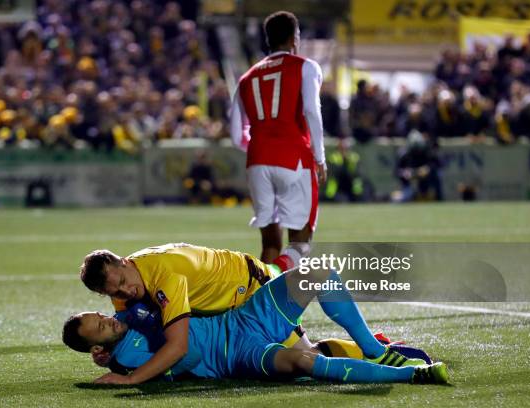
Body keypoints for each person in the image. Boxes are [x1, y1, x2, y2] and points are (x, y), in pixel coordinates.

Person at [79, 244, 428, 382]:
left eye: (122, 282)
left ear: (125, 262)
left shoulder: (165, 276)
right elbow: (123, 329)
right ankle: (374, 350)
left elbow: (179, 347)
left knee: (307, 349)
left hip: (248, 291)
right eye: (113, 293)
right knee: (307, 360)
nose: (124, 294)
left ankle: (374, 348)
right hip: (227, 320)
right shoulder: (126, 291)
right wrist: (109, 356)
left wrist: (130, 378)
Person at [229, 11, 326, 270]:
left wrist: (263, 148)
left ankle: (264, 303)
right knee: (300, 243)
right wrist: (320, 157)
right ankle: (282, 301)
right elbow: (311, 111)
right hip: (293, 157)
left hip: (257, 160)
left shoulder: (245, 78)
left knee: (270, 242)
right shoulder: (305, 66)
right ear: (295, 38)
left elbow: (236, 134)